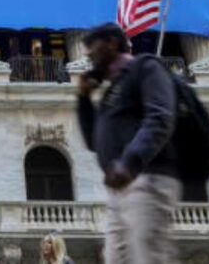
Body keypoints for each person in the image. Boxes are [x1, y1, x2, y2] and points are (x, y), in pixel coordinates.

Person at [76, 23, 180, 264]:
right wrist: (83, 99)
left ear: (111, 43)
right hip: (119, 189)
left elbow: (160, 117)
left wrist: (130, 162)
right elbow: (92, 142)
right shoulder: (111, 91)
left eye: (92, 46)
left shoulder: (146, 67)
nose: (88, 53)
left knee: (149, 257)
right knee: (116, 258)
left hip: (148, 178)